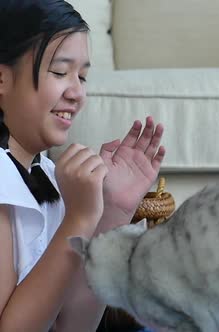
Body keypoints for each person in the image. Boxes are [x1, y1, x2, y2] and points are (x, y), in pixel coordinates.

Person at [0, 1, 166, 331]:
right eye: (61, 72)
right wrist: (79, 217)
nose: (77, 92)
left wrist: (111, 213)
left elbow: (74, 325)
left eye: (83, 76)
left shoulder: (46, 173)